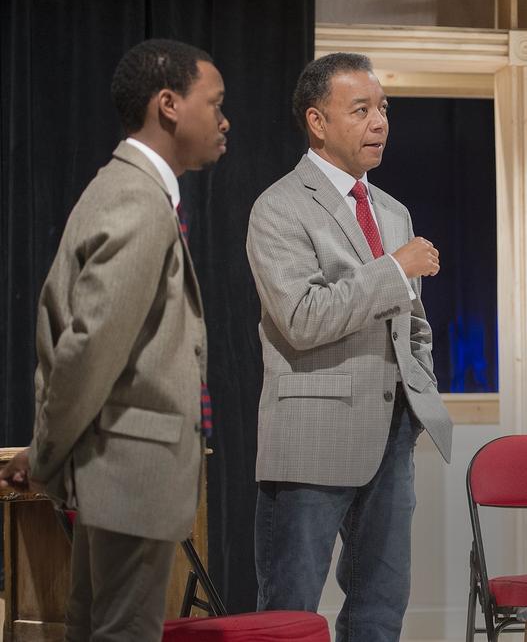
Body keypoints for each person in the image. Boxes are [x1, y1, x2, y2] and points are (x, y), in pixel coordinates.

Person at [0, 39, 228, 641]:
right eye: (216, 102)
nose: (224, 120)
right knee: (123, 632)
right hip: (130, 470)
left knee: (95, 627)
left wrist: (46, 452)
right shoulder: (138, 202)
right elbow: (87, 348)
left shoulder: (122, 189)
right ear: (169, 105)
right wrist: (47, 457)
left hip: (114, 466)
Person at [246, 52, 453, 642]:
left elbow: (414, 324)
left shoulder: (391, 210)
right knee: (288, 616)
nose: (379, 122)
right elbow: (303, 319)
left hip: (391, 437)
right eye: (361, 109)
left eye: (383, 108)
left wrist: (418, 398)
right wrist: (393, 268)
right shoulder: (279, 207)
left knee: (381, 611)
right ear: (317, 120)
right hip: (311, 439)